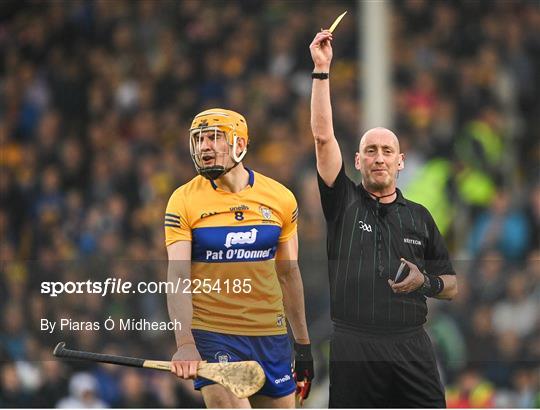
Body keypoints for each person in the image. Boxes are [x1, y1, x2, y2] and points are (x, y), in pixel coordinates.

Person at [309, 30, 458, 408]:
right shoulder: (342, 201)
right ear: (357, 162)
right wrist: (322, 71)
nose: (379, 157)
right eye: (370, 151)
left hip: (410, 341)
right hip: (353, 342)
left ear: (400, 161)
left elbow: (453, 285)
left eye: (387, 151)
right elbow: (324, 139)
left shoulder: (420, 217)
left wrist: (424, 281)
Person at [164, 108, 313, 408]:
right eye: (199, 139)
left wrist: (303, 347)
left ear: (240, 145)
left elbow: (289, 274)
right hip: (214, 334)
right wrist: (185, 344)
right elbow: (178, 276)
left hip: (270, 335)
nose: (204, 146)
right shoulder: (183, 200)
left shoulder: (281, 198)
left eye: (214, 137)